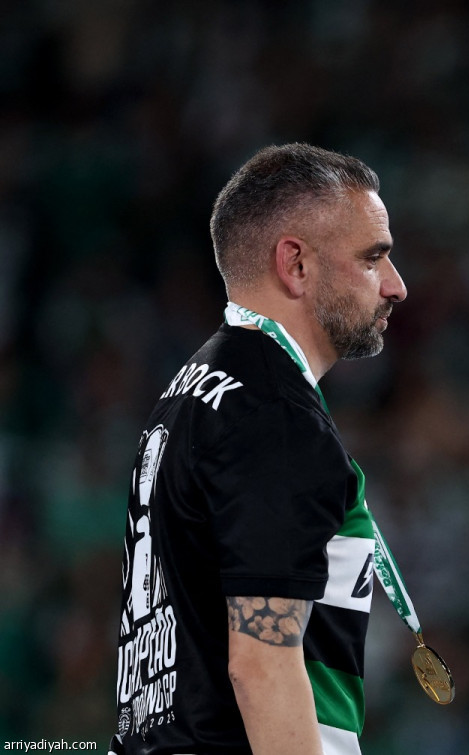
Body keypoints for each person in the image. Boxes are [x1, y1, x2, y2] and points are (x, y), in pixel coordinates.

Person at [108, 143, 407, 755]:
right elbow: (262, 667)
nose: (396, 286)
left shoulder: (192, 389)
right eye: (373, 258)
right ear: (295, 264)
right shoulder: (275, 417)